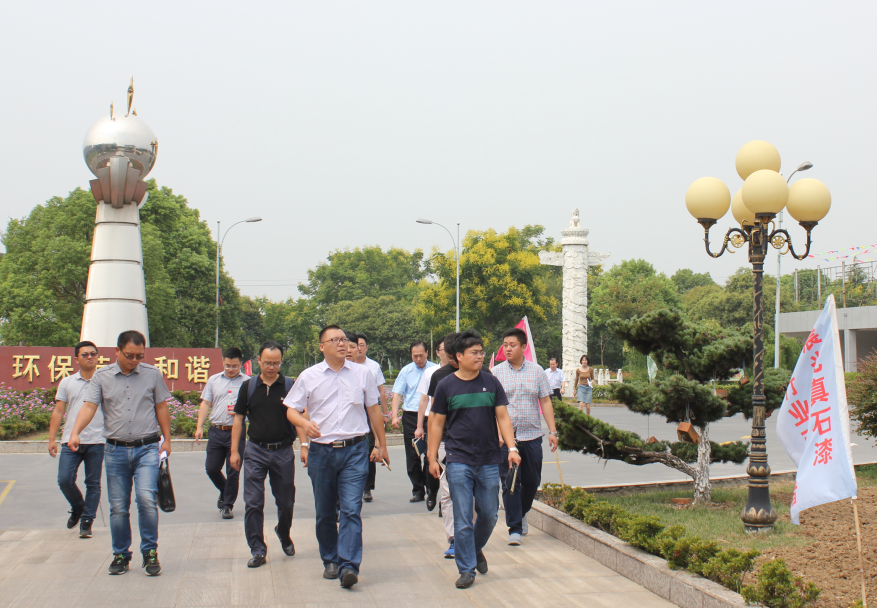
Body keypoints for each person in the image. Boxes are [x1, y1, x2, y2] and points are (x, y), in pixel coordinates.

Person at [284, 325, 389, 589]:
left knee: (352, 509)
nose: (342, 344)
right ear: (322, 347)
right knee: (325, 510)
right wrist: (304, 425)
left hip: (355, 450)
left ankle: (349, 565)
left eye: (343, 339)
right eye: (335, 340)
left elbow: (374, 410)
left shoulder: (363, 374)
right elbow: (291, 410)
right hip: (322, 452)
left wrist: (381, 444)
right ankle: (330, 559)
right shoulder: (309, 376)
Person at [69, 330, 172, 577]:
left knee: (146, 499)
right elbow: (89, 406)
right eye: (129, 355)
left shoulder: (152, 374)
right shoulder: (102, 376)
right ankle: (121, 554)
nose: (134, 360)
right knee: (118, 506)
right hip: (115, 450)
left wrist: (167, 439)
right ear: (117, 351)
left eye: (139, 356)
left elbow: (161, 406)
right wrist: (75, 432)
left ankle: (150, 552)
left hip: (147, 448)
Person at [427, 330, 520, 589]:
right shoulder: (446, 386)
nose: (480, 356)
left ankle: (474, 548)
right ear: (459, 356)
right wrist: (432, 457)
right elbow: (436, 423)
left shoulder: (491, 382)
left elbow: (503, 417)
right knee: (463, 516)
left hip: (489, 458)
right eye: (474, 353)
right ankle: (466, 569)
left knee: (489, 514)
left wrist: (512, 448)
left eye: (481, 352)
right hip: (458, 458)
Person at [229, 341, 297, 568]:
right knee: (253, 502)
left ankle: (283, 532)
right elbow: (239, 419)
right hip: (255, 451)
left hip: (283, 451)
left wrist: (305, 446)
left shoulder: (289, 385)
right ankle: (257, 549)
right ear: (258, 360)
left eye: (276, 363)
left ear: (281, 362)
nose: (271, 367)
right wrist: (234, 451)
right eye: (267, 363)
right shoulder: (248, 387)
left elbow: (300, 416)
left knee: (286, 502)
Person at [492, 327, 558, 545]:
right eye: (505, 345)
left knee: (532, 481)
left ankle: (520, 512)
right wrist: (497, 432)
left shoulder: (537, 371)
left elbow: (545, 401)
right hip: (507, 439)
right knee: (510, 482)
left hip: (532, 436)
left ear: (523, 347)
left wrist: (552, 431)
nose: (507, 349)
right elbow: (492, 407)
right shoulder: (496, 373)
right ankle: (515, 528)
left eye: (512, 345)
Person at [47, 341, 104, 539]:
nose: (90, 357)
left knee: (93, 483)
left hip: (97, 440)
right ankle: (79, 506)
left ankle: (87, 521)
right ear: (76, 359)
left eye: (93, 354)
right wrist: (52, 439)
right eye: (85, 354)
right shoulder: (67, 382)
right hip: (71, 440)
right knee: (64, 479)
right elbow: (58, 411)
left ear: (98, 356)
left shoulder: (105, 381)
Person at [415, 333, 458, 556]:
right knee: (449, 491)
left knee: (476, 498)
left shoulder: (485, 376)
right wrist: (431, 452)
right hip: (446, 441)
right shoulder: (438, 376)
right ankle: (454, 538)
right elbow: (434, 413)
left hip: (478, 445)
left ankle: (471, 536)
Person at [195, 346, 250, 519]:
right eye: (227, 365)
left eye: (234, 366)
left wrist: (244, 412)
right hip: (217, 430)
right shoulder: (214, 380)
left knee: (233, 469)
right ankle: (225, 490)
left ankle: (227, 505)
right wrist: (199, 427)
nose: (230, 369)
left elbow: (254, 407)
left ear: (240, 364)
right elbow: (206, 403)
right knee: (211, 468)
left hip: (237, 431)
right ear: (223, 363)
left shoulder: (248, 382)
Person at [390, 341, 437, 502]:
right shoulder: (406, 371)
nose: (418, 359)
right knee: (413, 454)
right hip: (411, 416)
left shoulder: (434, 370)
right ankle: (418, 489)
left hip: (430, 416)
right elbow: (397, 394)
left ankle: (430, 487)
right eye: (414, 356)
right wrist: (394, 416)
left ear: (427, 353)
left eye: (421, 355)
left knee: (430, 453)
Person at [355, 333, 390, 502]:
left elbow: (381, 392)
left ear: (366, 347)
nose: (358, 348)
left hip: (370, 409)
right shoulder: (344, 365)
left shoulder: (373, 367)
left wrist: (385, 414)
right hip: (354, 409)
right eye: (355, 345)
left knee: (370, 447)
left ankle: (367, 487)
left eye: (361, 345)